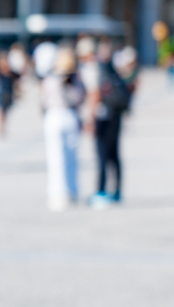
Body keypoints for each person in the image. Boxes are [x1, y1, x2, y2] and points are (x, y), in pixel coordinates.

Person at [82, 36, 130, 205]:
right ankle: (116, 191)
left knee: (102, 154)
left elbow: (94, 95)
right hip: (115, 115)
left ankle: (101, 190)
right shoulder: (115, 69)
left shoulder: (95, 69)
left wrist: (90, 119)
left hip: (102, 117)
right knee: (114, 154)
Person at [40, 46, 83, 211]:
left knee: (59, 156)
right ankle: (66, 191)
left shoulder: (51, 80)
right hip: (67, 115)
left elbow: (43, 100)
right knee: (67, 156)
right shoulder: (72, 79)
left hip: (57, 115)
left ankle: (61, 192)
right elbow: (80, 97)